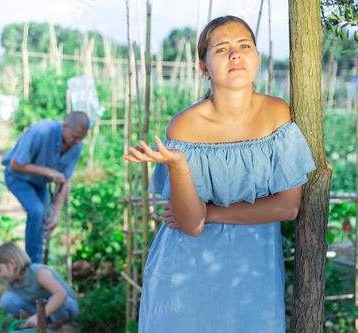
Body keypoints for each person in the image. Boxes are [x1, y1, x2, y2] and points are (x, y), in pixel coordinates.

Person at [122, 15, 316, 332]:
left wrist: (208, 211)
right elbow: (190, 225)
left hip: (253, 277)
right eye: (222, 48)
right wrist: (179, 166)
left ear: (256, 59)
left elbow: (287, 207)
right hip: (185, 278)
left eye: (244, 46)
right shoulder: (185, 125)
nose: (235, 54)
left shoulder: (276, 113)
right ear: (204, 69)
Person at [2, 111, 89, 263]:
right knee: (37, 211)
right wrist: (50, 172)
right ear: (65, 126)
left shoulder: (76, 146)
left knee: (44, 220)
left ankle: (37, 265)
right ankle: (31, 267)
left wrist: (56, 214)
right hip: (17, 176)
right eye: (76, 136)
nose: (78, 141)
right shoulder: (41, 131)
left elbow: (64, 180)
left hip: (39, 183)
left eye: (81, 138)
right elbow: (15, 164)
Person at [0, 242, 78, 333]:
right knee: (6, 300)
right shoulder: (11, 283)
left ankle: (55, 328)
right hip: (41, 314)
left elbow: (61, 294)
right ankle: (34, 327)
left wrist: (40, 316)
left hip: (66, 309)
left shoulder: (39, 272)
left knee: (56, 299)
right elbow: (0, 309)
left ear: (13, 263)